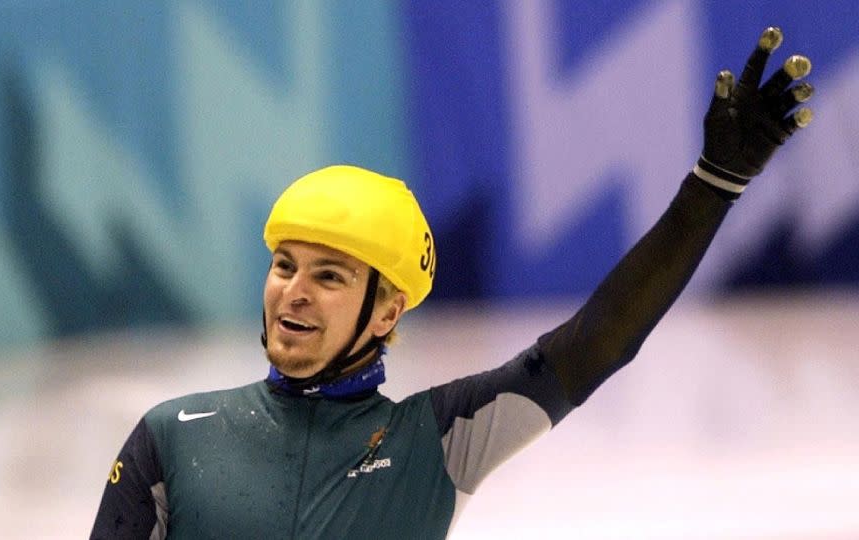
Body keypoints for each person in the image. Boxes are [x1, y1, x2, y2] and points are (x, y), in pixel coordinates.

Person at [90, 27, 814, 539]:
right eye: (284, 266)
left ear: (386, 310)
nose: (294, 291)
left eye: (330, 275)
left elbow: (600, 342)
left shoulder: (438, 441)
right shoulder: (172, 437)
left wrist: (712, 187)